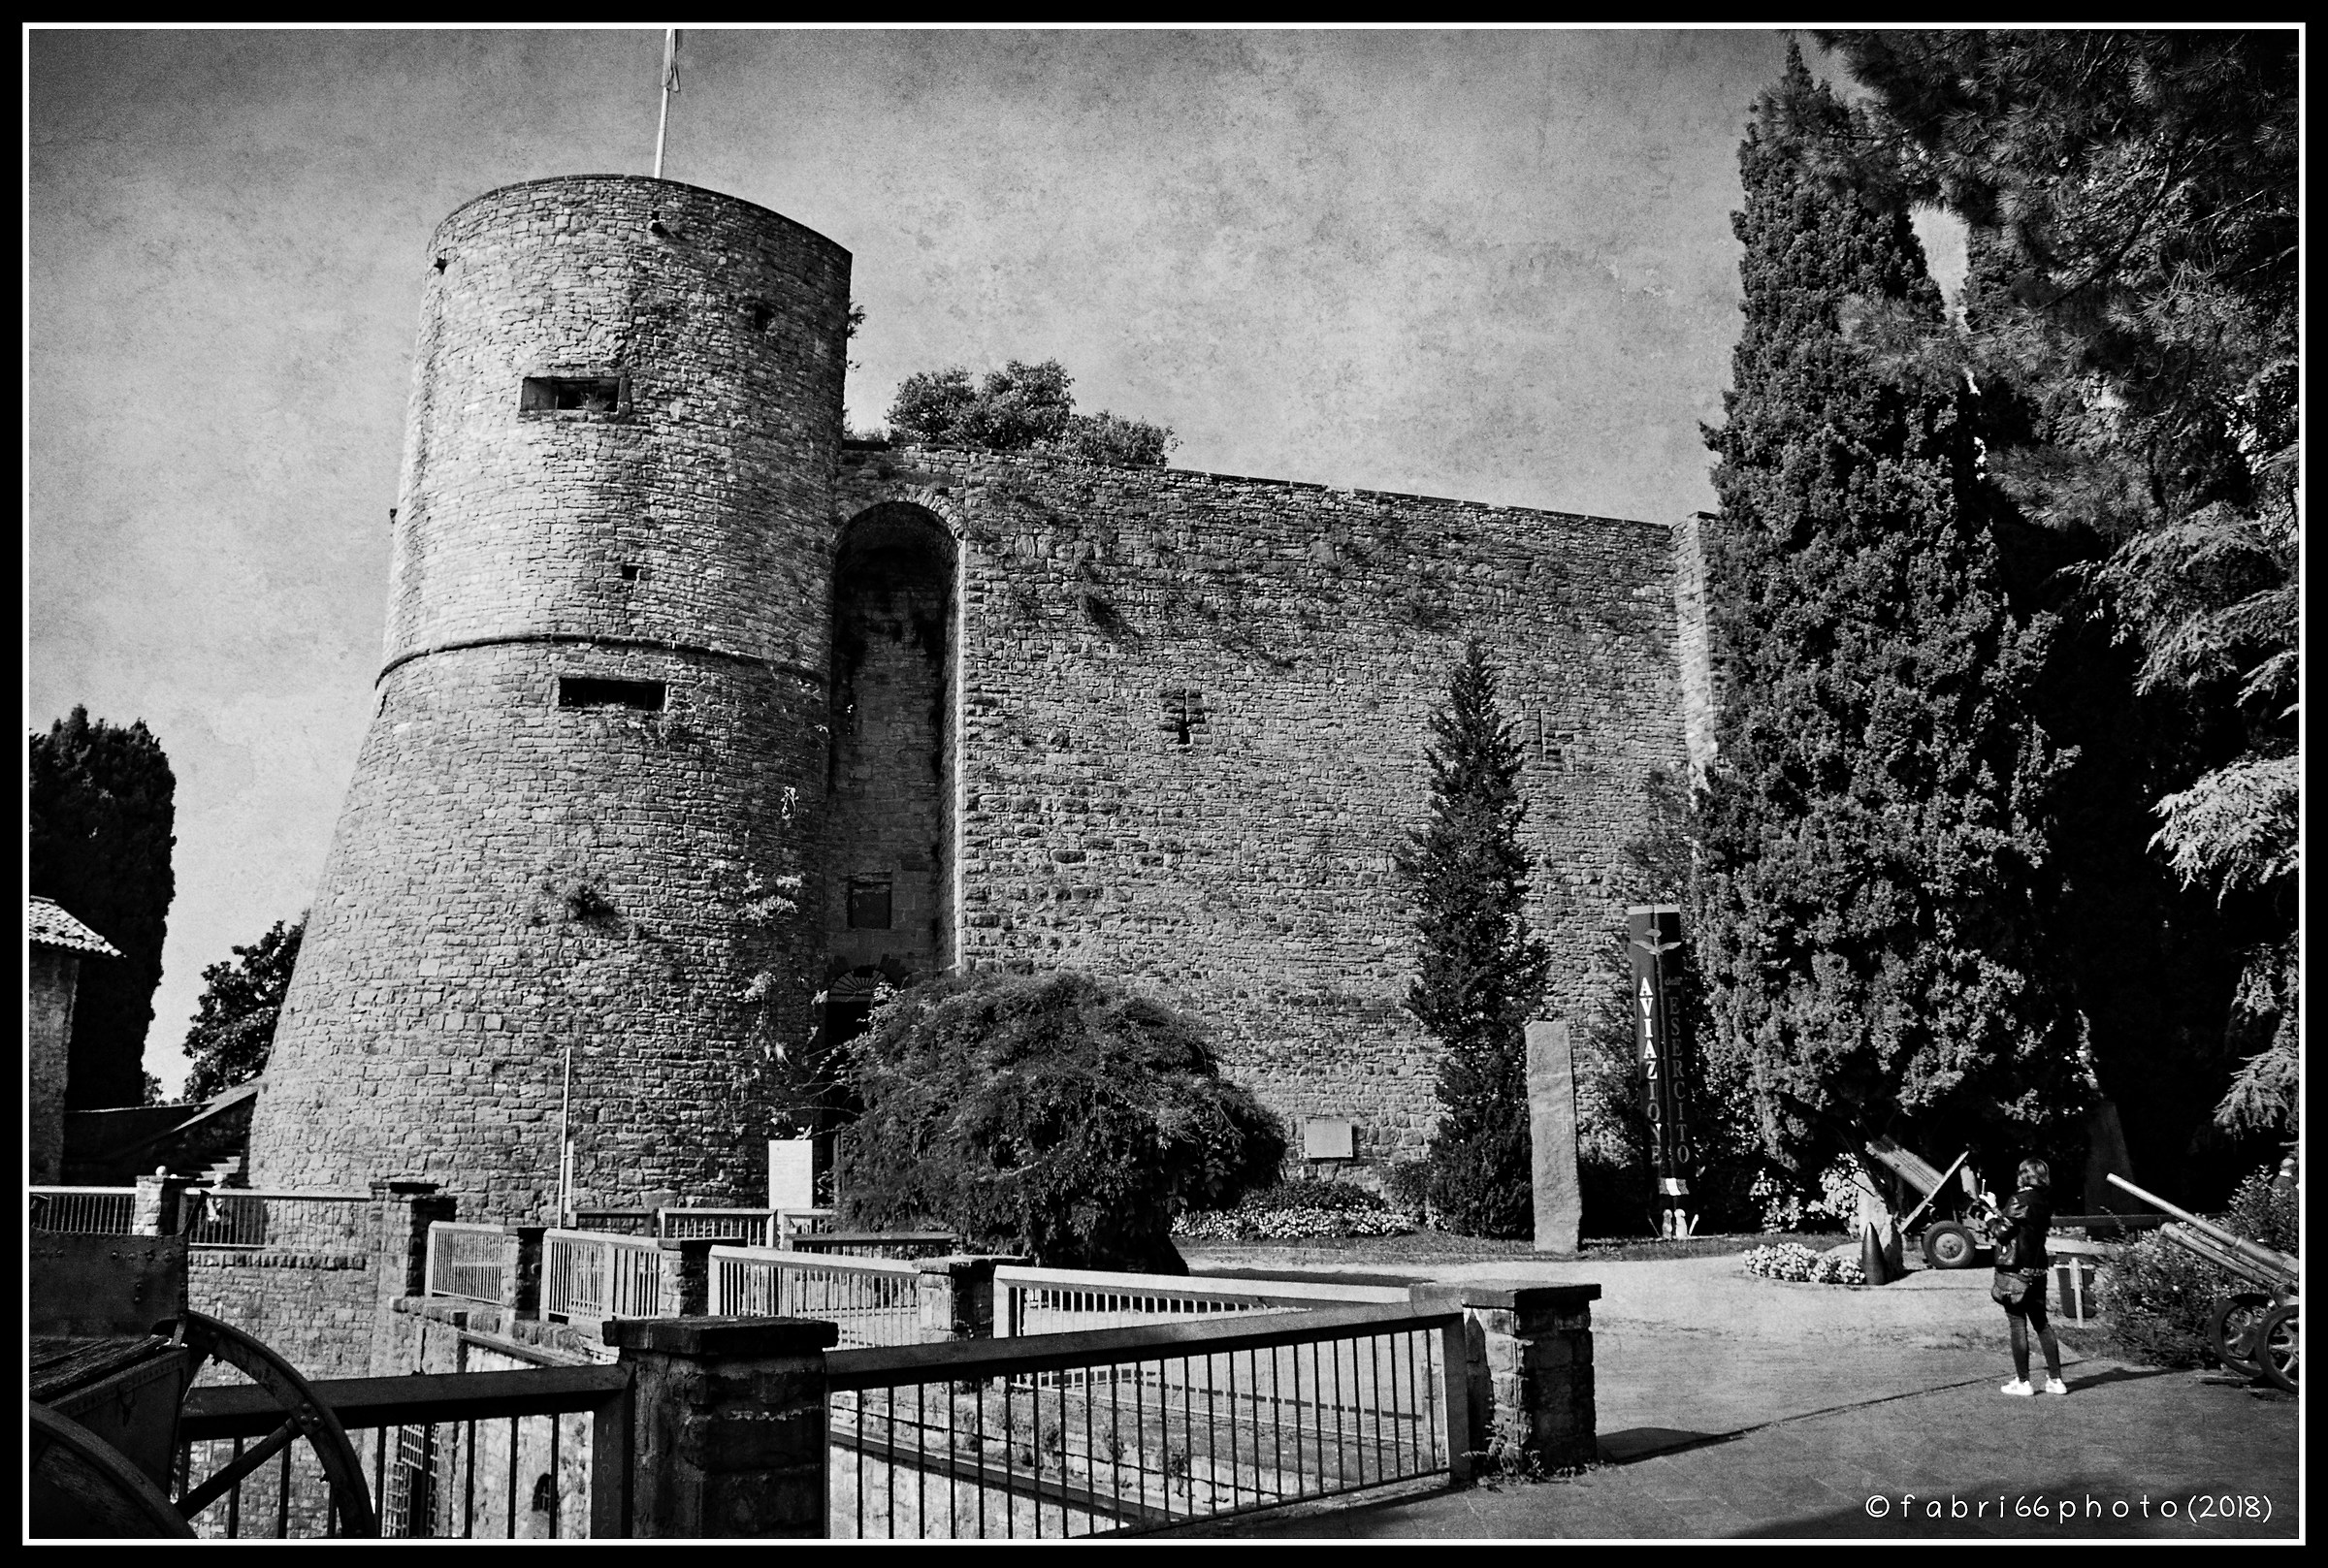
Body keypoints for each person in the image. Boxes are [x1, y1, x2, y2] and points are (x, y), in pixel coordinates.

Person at [1986, 1157, 2067, 1395]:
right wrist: (1994, 1207)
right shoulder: (2043, 1200)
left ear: (2022, 1175)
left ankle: (2023, 1382)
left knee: (2017, 1324)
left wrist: (1989, 1218)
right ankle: (2056, 1380)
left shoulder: (2019, 1199)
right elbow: (2018, 1225)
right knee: (2041, 1323)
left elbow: (2002, 1232)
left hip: (2015, 1271)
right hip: (2037, 1269)